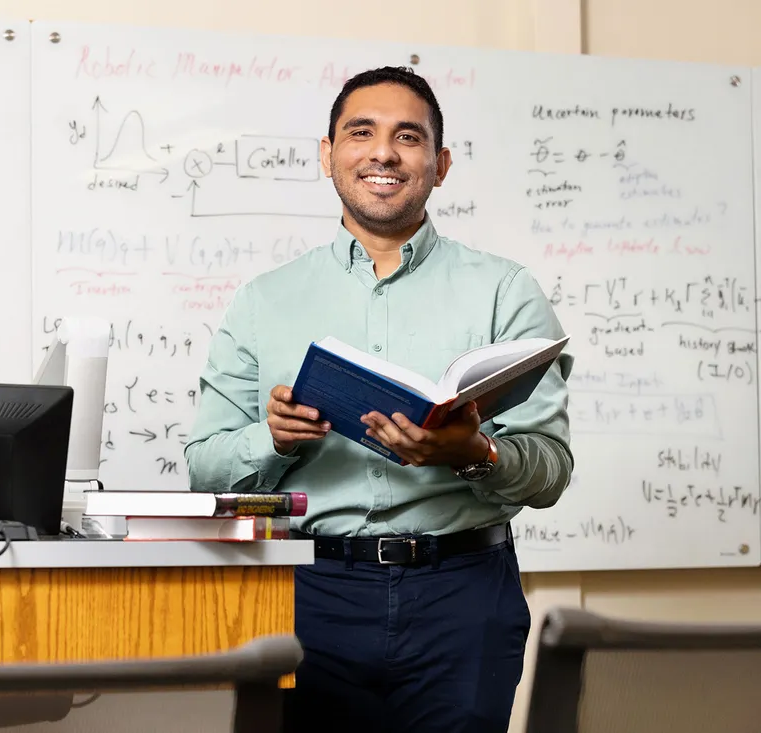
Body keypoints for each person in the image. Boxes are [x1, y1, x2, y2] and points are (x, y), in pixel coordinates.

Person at [183, 65, 574, 732]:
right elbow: (206, 469)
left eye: (408, 137)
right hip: (310, 593)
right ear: (327, 155)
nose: (384, 152)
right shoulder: (264, 300)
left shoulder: (506, 291)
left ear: (441, 163)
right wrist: (271, 438)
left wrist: (474, 451)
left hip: (463, 593)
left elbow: (551, 467)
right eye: (360, 133)